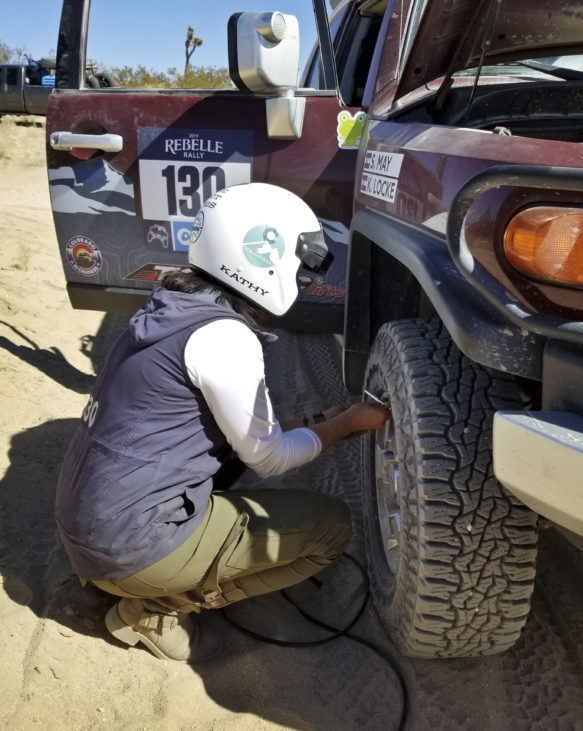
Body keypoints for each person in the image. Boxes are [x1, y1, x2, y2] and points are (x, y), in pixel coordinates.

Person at [54, 182, 388, 663]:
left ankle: (123, 578)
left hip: (89, 525)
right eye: (300, 260)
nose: (304, 274)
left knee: (231, 459)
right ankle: (152, 609)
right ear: (262, 255)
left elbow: (246, 432)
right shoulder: (225, 339)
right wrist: (344, 424)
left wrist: (320, 420)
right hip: (126, 545)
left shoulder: (175, 306)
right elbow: (269, 456)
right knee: (330, 529)